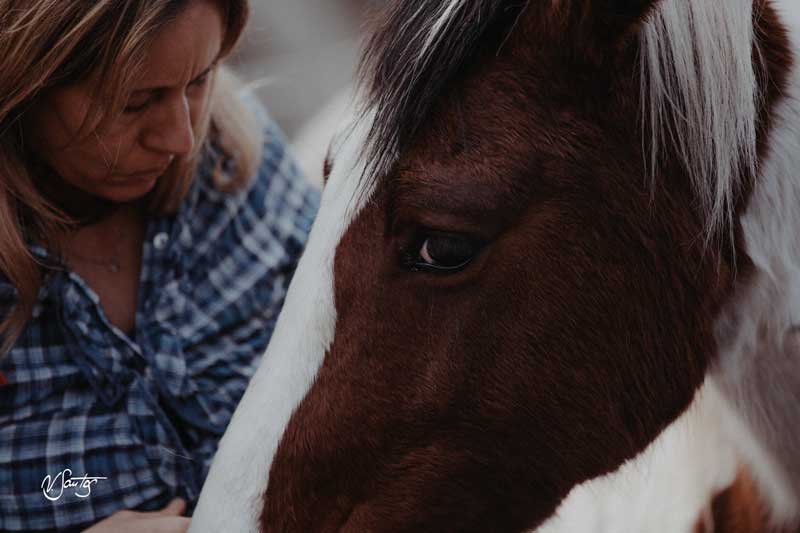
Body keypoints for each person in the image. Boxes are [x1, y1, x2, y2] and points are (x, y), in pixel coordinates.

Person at [0, 0, 320, 531]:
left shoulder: (240, 167)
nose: (180, 138)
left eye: (199, 81)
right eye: (134, 104)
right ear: (23, 84)